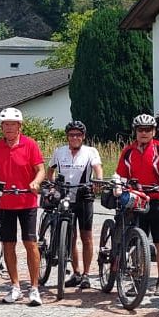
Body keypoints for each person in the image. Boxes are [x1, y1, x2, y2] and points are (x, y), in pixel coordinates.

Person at [0, 108, 46, 306]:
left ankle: (34, 288)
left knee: (30, 243)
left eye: (12, 124)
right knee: (8, 244)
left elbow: (40, 169)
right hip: (5, 202)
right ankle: (15, 286)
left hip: (27, 202)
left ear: (19, 126)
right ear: (2, 127)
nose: (9, 128)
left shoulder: (30, 144)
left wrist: (35, 182)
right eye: (5, 124)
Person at [114, 114, 159, 296]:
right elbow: (120, 174)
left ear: (154, 131)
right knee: (137, 240)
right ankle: (138, 279)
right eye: (140, 129)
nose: (144, 133)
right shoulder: (128, 151)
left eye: (148, 129)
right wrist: (118, 186)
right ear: (135, 132)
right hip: (138, 199)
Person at [47, 121, 103, 290]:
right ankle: (76, 272)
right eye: (72, 135)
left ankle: (86, 274)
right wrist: (51, 185)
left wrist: (98, 179)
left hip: (84, 195)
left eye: (78, 135)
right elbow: (50, 170)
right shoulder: (60, 152)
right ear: (67, 137)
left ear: (83, 136)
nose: (75, 138)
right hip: (65, 196)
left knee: (86, 236)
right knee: (70, 236)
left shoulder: (90, 151)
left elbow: (97, 168)